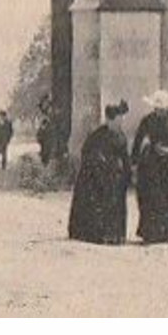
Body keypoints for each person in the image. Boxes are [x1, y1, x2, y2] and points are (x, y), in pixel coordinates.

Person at [68, 101, 133, 244]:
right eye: (117, 120)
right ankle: (98, 234)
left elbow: (125, 156)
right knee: (99, 203)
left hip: (115, 176)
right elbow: (87, 152)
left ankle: (116, 235)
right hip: (97, 177)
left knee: (117, 203)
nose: (120, 123)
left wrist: (128, 174)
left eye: (121, 120)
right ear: (109, 120)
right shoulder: (97, 136)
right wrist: (100, 163)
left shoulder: (121, 136)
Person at [132, 89, 168, 243]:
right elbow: (138, 140)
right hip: (152, 163)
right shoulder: (147, 120)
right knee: (152, 196)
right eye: (157, 109)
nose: (159, 112)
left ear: (167, 108)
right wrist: (134, 161)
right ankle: (152, 233)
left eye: (162, 109)